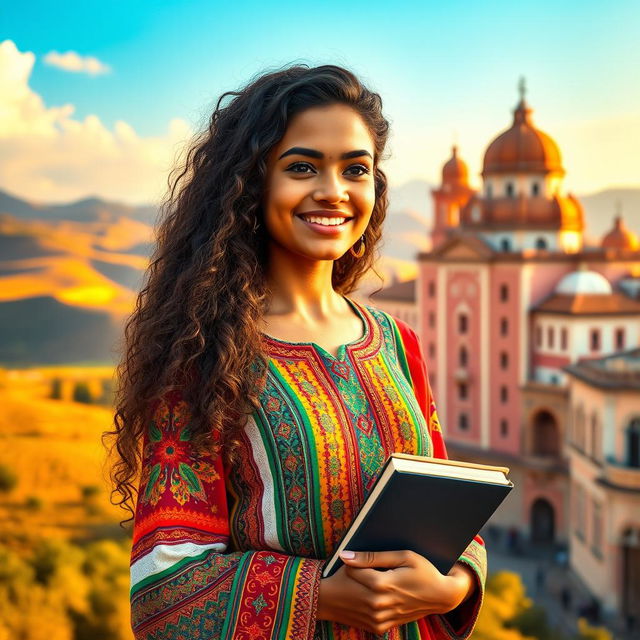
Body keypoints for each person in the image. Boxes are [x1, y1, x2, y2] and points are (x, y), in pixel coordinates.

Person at [107, 63, 487, 640]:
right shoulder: (204, 358)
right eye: (302, 166)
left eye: (355, 169)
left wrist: (454, 585)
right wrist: (325, 598)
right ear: (250, 182)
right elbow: (164, 593)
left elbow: (447, 509)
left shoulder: (396, 343)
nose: (333, 191)